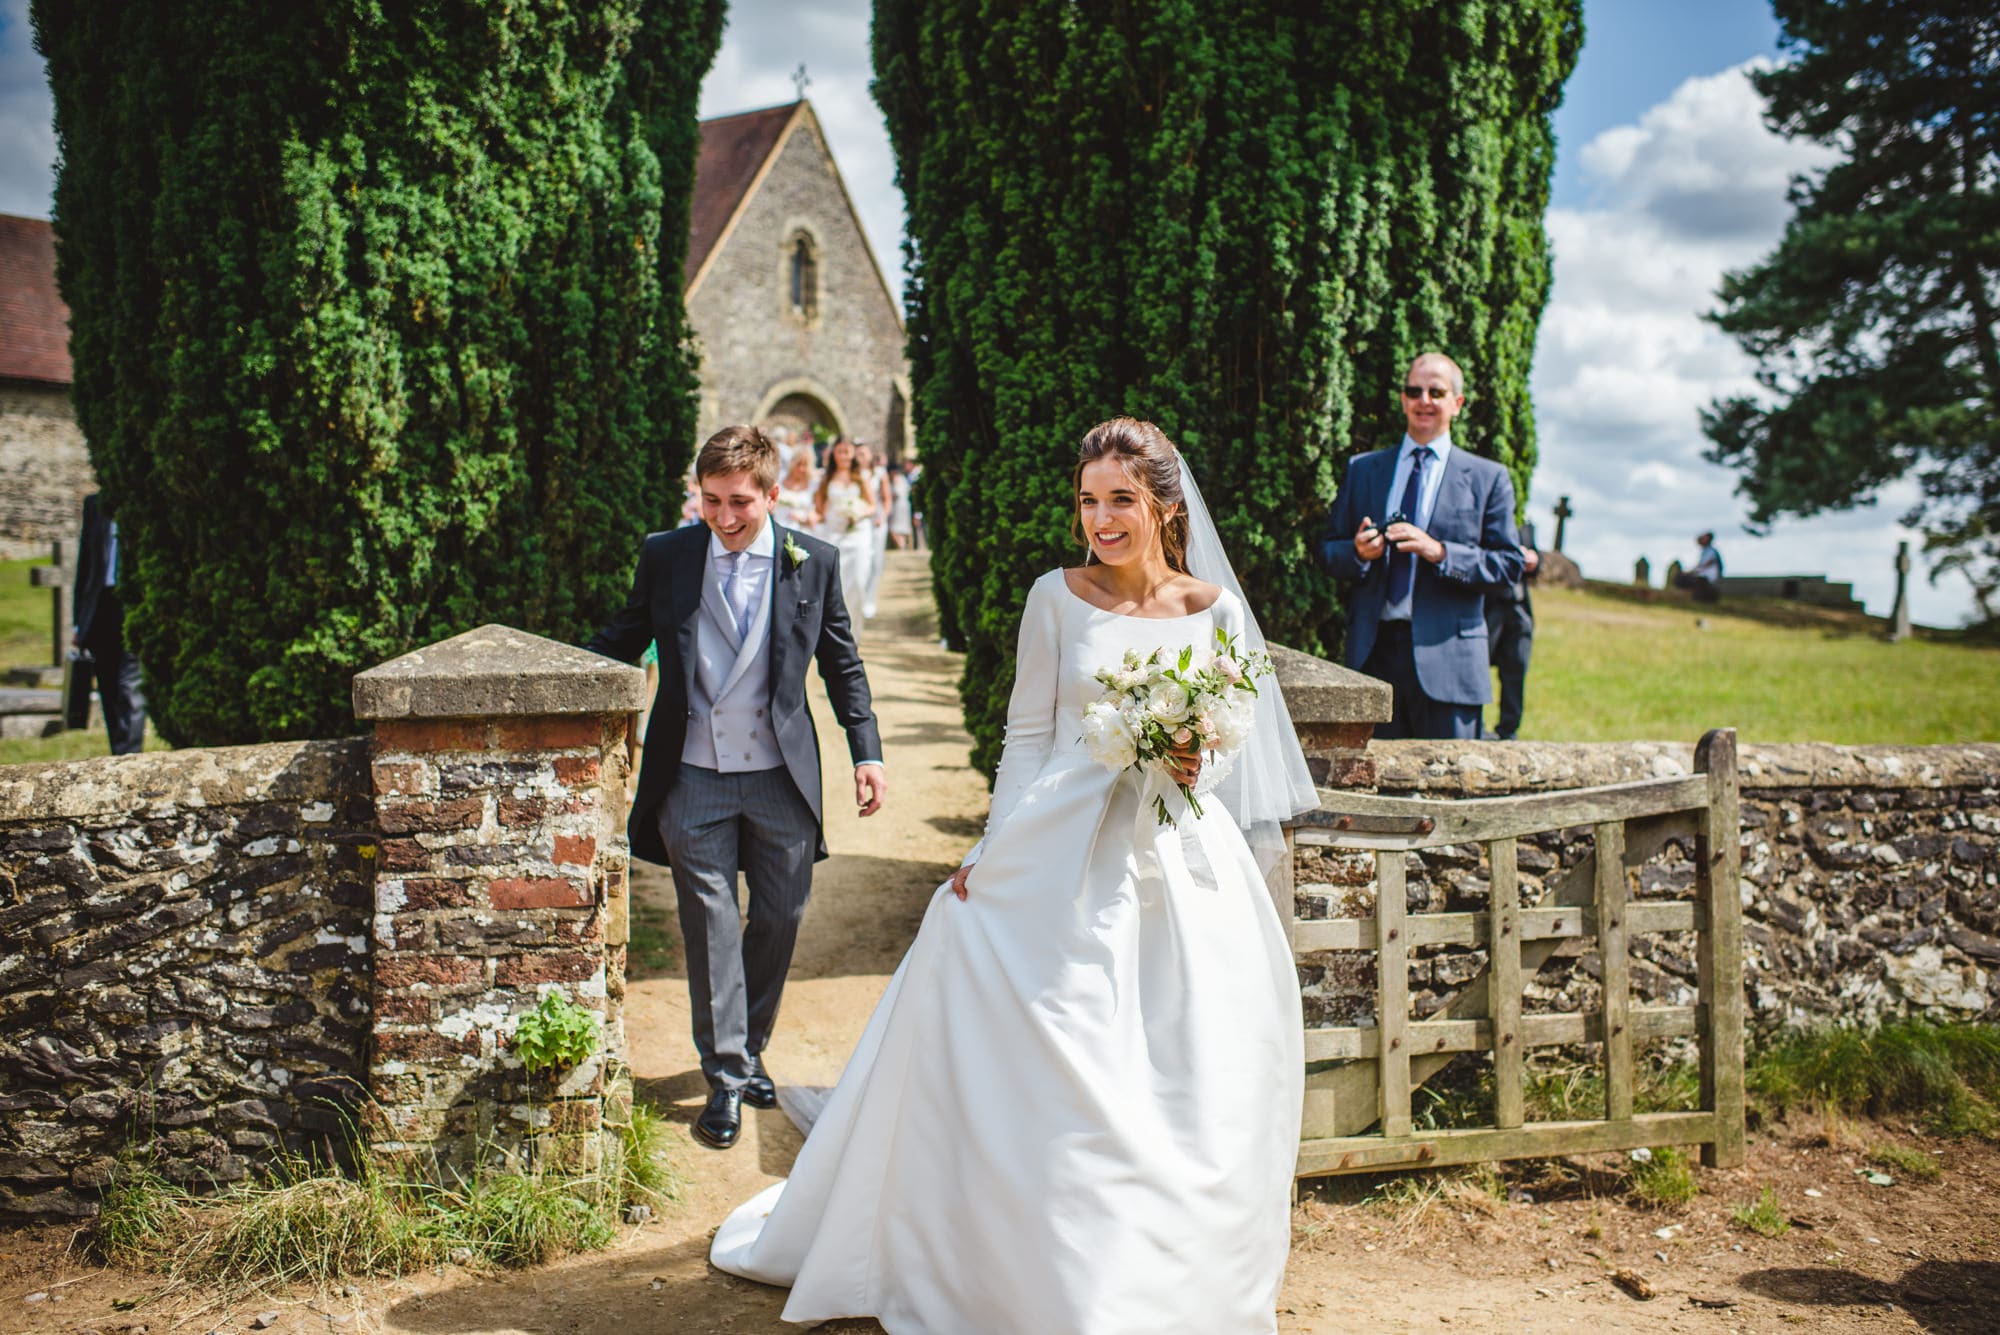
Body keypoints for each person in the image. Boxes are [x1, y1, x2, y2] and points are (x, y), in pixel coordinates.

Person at [709, 417, 1316, 1333]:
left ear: (1161, 503)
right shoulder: (1054, 598)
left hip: (1176, 861)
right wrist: (995, 854)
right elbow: (1028, 737)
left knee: (1189, 1062)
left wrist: (1196, 761)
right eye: (1087, 499)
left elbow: (1230, 740)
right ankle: (1021, 1261)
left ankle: (1166, 1267)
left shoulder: (1215, 611)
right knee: (1031, 1023)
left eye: (1120, 500)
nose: (1100, 519)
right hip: (1060, 850)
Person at [586, 425, 886, 1151]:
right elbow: (624, 634)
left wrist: (865, 750)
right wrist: (556, 677)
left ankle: (748, 1044)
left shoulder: (812, 561)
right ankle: (725, 1076)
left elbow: (841, 663)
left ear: (772, 494)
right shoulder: (668, 554)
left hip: (782, 776)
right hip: (691, 773)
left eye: (741, 503)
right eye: (712, 500)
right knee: (710, 922)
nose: (724, 517)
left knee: (780, 915)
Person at [1319, 352, 1525, 739]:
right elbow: (1329, 550)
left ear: (1457, 403)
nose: (1423, 400)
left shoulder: (1488, 478)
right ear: (1403, 400)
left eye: (1436, 391)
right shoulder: (1363, 469)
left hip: (1450, 663)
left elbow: (1509, 566)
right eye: (1414, 391)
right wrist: (1358, 554)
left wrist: (1441, 552)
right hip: (1374, 657)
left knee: (1451, 791)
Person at [70, 492, 146, 754]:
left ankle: (130, 756)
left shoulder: (142, 499)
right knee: (108, 685)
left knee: (129, 686)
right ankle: (118, 753)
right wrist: (78, 623)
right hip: (100, 608)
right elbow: (85, 564)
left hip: (132, 606)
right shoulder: (95, 505)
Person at [813, 438, 877, 623]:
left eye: (847, 451)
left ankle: (855, 629)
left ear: (853, 453)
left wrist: (858, 512)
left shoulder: (861, 477)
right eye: (840, 451)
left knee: (857, 582)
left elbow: (872, 505)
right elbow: (820, 509)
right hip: (834, 535)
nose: (843, 455)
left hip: (857, 536)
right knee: (836, 586)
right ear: (834, 454)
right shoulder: (827, 479)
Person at [1485, 518, 1538, 740]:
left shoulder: (1525, 521)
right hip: (1491, 603)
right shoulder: (1489, 515)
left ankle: (1509, 730)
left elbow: (1535, 560)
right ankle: (1476, 727)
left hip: (1518, 607)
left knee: (1517, 666)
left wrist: (1535, 560)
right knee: (1479, 665)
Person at [856, 443, 892, 619]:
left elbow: (886, 499)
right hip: (860, 522)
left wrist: (883, 517)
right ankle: (860, 598)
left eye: (863, 453)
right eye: (858, 454)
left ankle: (870, 600)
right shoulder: (853, 475)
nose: (860, 457)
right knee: (862, 561)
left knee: (876, 561)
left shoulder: (879, 474)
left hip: (876, 523)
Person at [774, 449, 818, 532]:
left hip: (803, 530)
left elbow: (818, 512)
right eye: (798, 464)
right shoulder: (779, 480)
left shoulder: (813, 485)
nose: (801, 468)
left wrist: (808, 518)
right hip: (779, 527)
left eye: (805, 465)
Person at [1673, 531, 1723, 603]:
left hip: (1706, 578)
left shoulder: (1711, 552)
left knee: (1688, 580)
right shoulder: (1704, 552)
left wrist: (1691, 572)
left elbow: (1704, 566)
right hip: (1701, 575)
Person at [887, 461, 914, 550]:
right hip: (904, 505)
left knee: (895, 528)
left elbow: (897, 493)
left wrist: (887, 496)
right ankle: (903, 546)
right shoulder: (903, 478)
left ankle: (901, 546)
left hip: (899, 506)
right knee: (900, 528)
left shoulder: (897, 479)